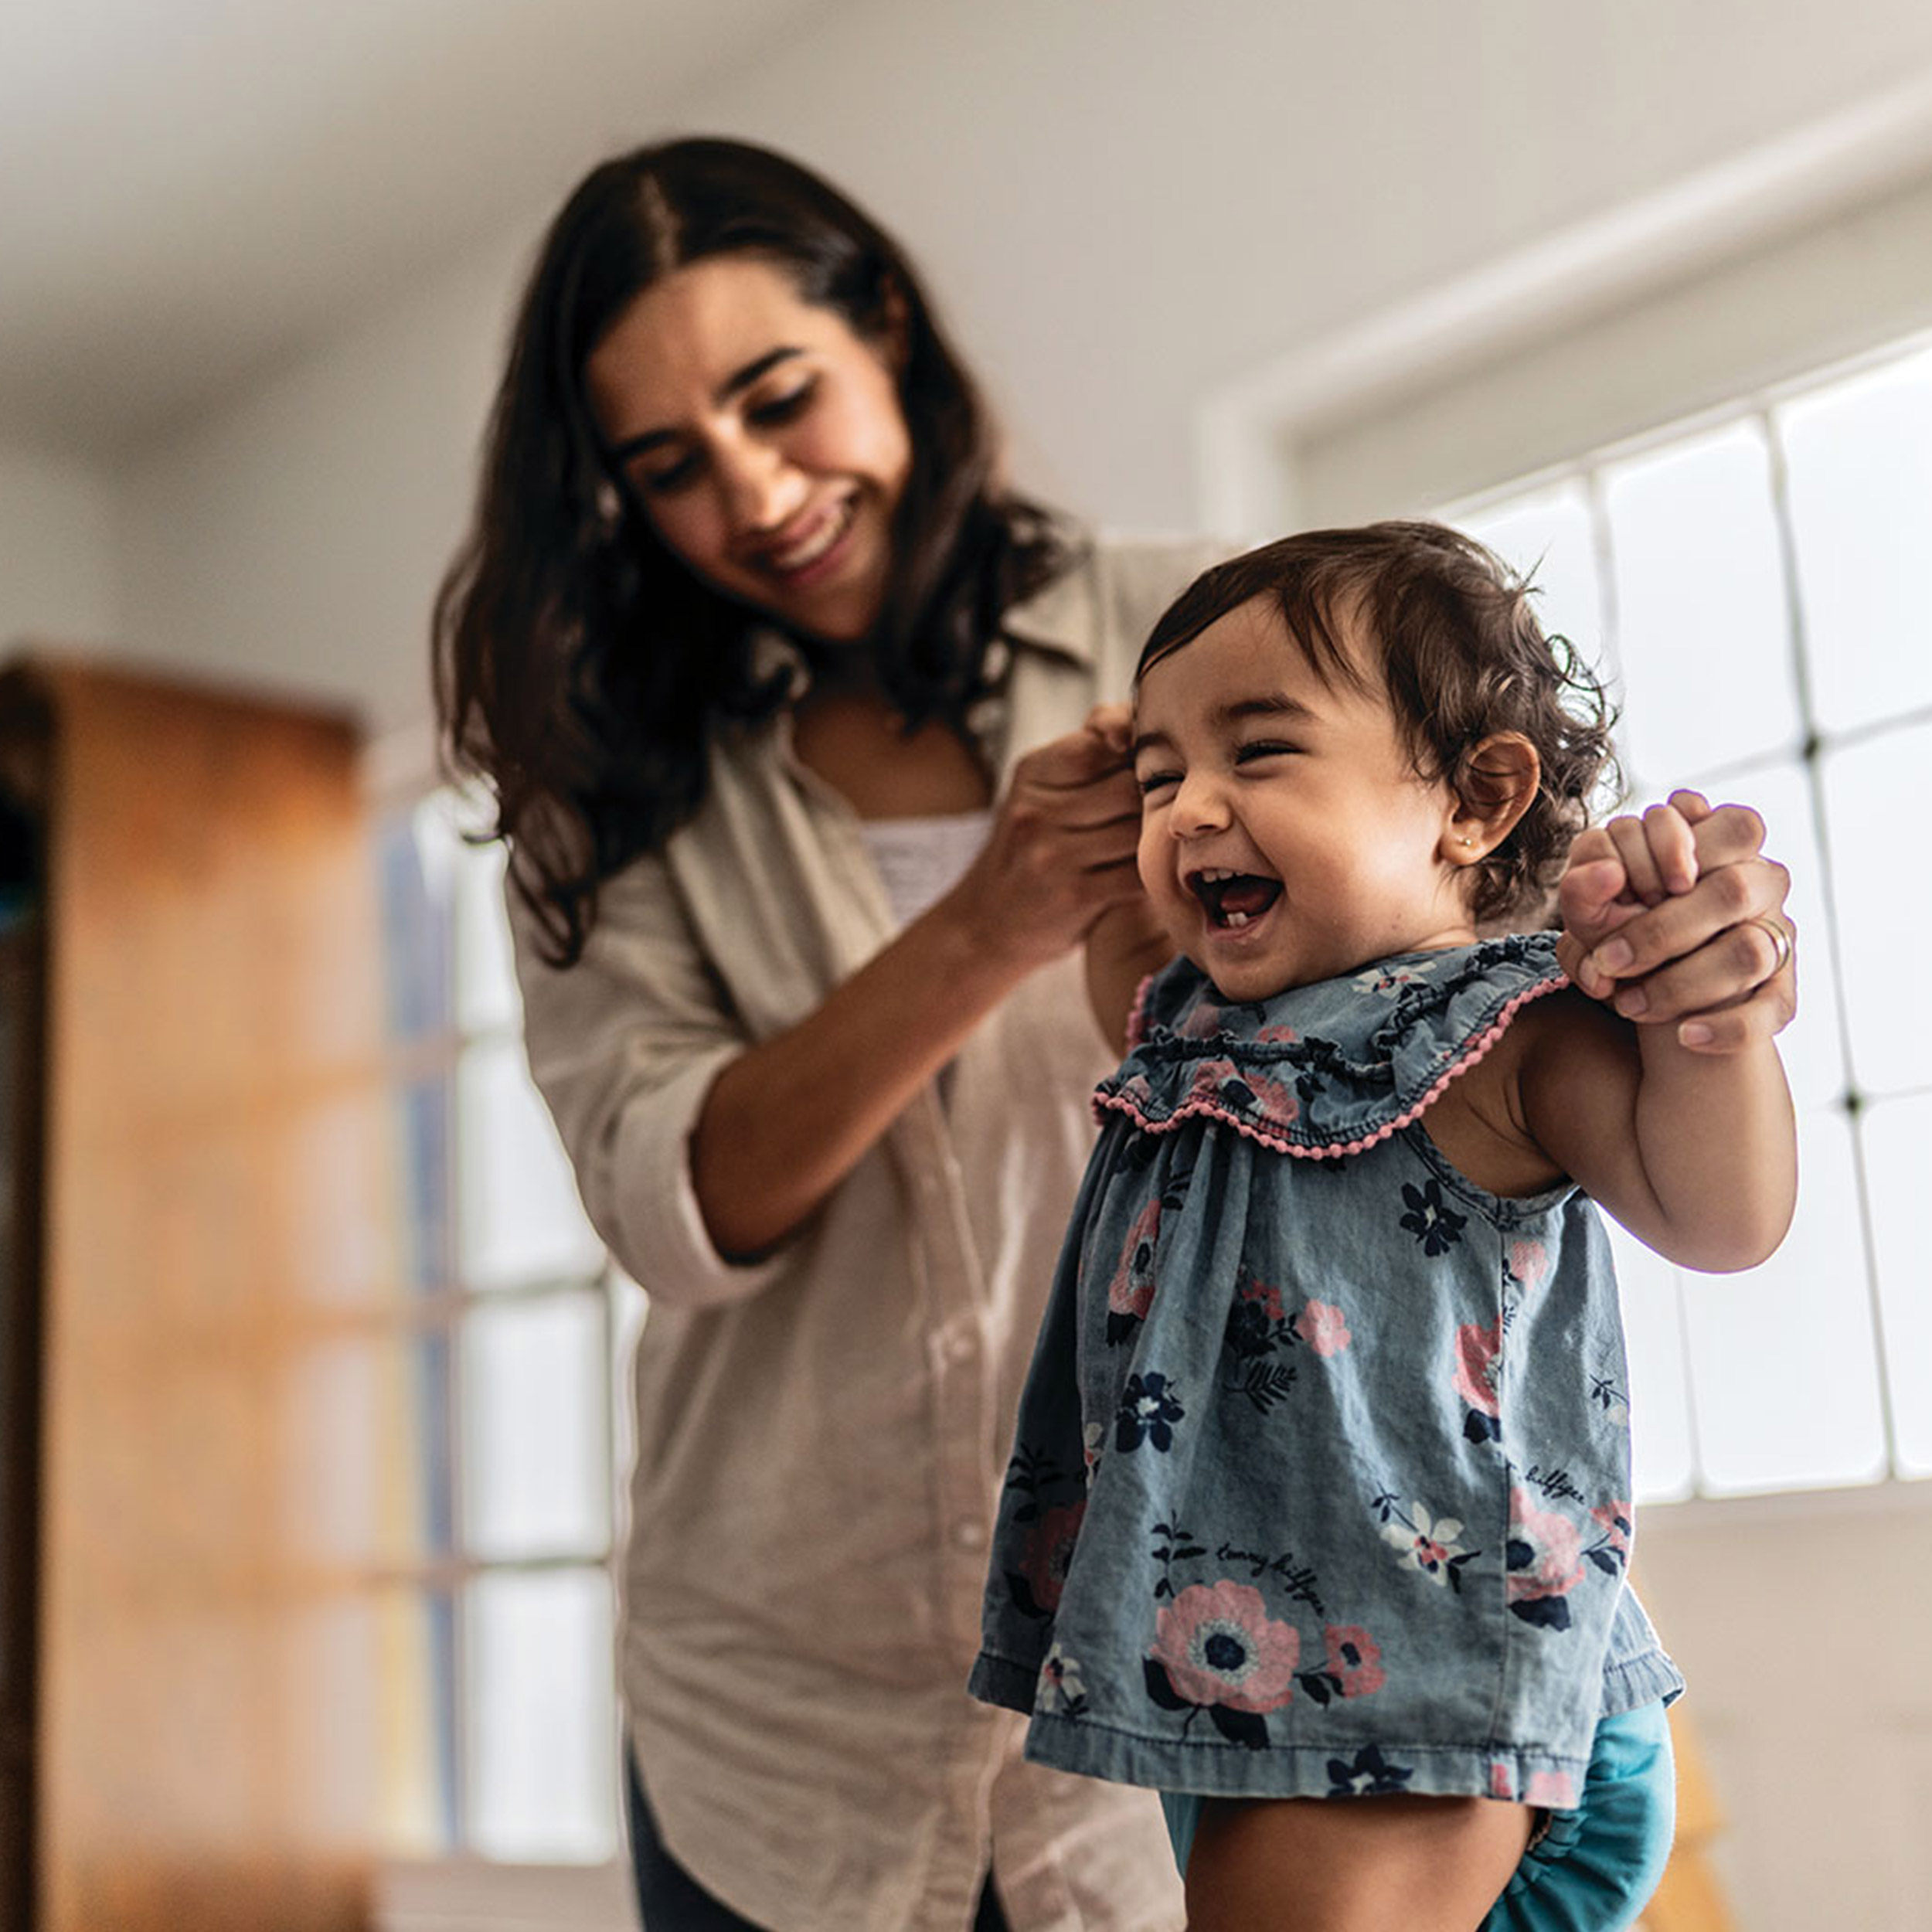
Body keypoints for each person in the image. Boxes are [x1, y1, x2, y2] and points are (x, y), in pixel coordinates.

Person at [431, 136, 1798, 1932]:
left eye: (783, 398)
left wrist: (1686, 967)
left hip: (1287, 1678)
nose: (756, 494)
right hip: (789, 1694)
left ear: (890, 338)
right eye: (668, 467)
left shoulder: (1221, 624)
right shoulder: (612, 798)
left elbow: (1473, 934)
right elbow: (678, 1207)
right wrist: (986, 918)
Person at [968, 523, 1798, 1932]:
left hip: (1429, 1682)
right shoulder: (1186, 1023)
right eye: (1161, 778)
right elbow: (1124, 922)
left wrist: (1702, 1030)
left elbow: (1723, 1222)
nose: (1186, 809)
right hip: (1271, 1686)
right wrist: (1114, 782)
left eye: (1261, 752)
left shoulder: (1508, 1029)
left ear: (1476, 801)